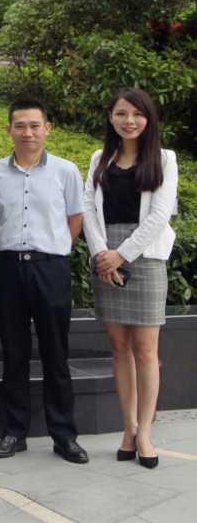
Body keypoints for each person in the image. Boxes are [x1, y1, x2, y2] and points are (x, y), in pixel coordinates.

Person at [0, 99, 89, 464]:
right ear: (9, 130)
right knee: (13, 354)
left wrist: (54, 248)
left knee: (55, 354)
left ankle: (63, 435)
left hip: (51, 270)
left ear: (47, 128)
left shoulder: (66, 171)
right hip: (7, 269)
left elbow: (75, 219)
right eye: (19, 125)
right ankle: (15, 432)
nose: (27, 132)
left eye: (34, 125)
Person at [83, 88, 177, 470]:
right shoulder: (99, 158)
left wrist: (121, 254)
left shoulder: (165, 159)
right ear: (111, 117)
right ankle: (129, 428)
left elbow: (160, 215)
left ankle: (146, 433)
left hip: (145, 257)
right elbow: (88, 209)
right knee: (119, 348)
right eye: (121, 113)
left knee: (146, 351)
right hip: (106, 256)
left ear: (148, 118)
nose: (129, 121)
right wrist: (102, 255)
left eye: (137, 114)